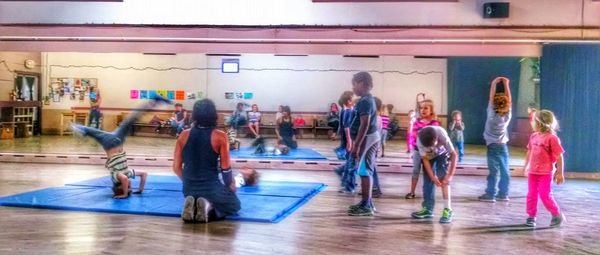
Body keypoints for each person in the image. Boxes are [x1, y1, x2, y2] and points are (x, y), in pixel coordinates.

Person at [71, 95, 171, 198]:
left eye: (128, 187)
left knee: (130, 119)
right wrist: (140, 190)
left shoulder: (116, 177)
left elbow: (125, 179)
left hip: (111, 143)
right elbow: (144, 174)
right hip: (116, 140)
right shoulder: (127, 173)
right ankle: (155, 100)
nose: (130, 186)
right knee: (133, 117)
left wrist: (124, 194)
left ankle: (78, 128)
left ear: (120, 187)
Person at [173, 99, 241, 223]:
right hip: (211, 187)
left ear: (195, 115)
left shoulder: (183, 135)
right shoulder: (220, 136)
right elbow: (226, 169)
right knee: (234, 205)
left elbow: (176, 168)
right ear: (213, 115)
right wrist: (230, 186)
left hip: (189, 188)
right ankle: (208, 209)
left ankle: (193, 206)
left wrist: (188, 181)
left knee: (195, 192)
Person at [523, 110, 565, 228]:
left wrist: (560, 172)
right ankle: (531, 216)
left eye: (534, 121)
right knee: (531, 194)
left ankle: (557, 214)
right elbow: (529, 151)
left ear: (540, 123)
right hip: (533, 172)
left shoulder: (552, 138)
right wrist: (526, 166)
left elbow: (559, 156)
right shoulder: (533, 136)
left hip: (545, 173)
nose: (532, 123)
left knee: (544, 194)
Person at [347, 72, 380, 216]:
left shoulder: (365, 101)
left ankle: (367, 206)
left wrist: (357, 145)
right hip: (368, 138)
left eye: (354, 84)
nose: (353, 87)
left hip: (367, 139)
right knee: (365, 170)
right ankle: (367, 202)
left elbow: (364, 124)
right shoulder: (366, 100)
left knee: (365, 171)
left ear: (362, 83)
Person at [410, 126, 458, 224]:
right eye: (429, 147)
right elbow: (425, 159)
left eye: (433, 145)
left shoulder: (442, 134)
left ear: (437, 139)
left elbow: (454, 154)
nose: (432, 148)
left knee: (443, 178)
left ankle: (448, 209)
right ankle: (428, 209)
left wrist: (450, 175)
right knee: (428, 180)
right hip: (428, 157)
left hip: (442, 153)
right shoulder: (420, 140)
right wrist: (432, 176)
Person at [479, 77, 512, 203]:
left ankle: (490, 195)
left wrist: (493, 83)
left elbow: (491, 98)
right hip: (503, 146)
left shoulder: (491, 115)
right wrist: (506, 84)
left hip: (492, 146)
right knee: (505, 171)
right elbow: (510, 101)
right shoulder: (507, 116)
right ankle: (503, 194)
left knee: (493, 172)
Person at [405, 94, 441, 199]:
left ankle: (428, 194)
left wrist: (424, 134)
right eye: (421, 108)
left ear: (431, 110)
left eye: (426, 108)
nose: (423, 110)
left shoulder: (435, 123)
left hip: (430, 151)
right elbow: (415, 135)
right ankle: (412, 192)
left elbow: (435, 137)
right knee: (415, 170)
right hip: (417, 150)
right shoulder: (417, 122)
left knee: (429, 173)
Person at [334, 91, 356, 193]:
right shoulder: (348, 111)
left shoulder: (346, 110)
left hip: (347, 140)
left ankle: (346, 181)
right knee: (351, 163)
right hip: (349, 140)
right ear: (349, 101)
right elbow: (347, 127)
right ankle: (347, 184)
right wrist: (350, 142)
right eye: (353, 98)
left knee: (350, 162)